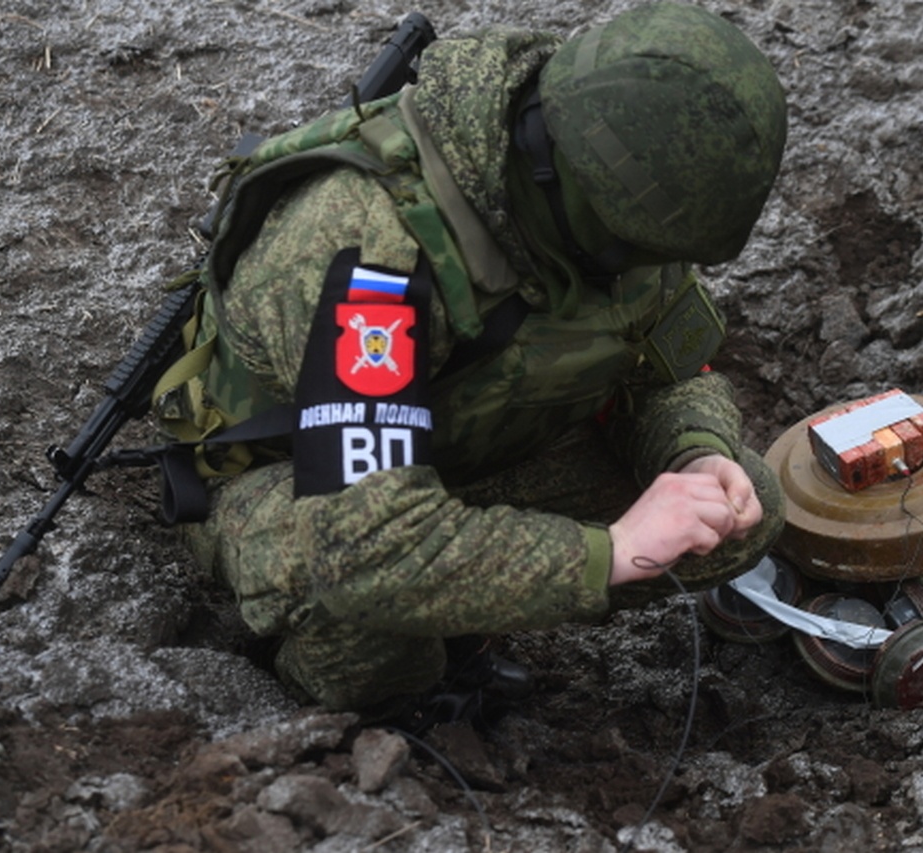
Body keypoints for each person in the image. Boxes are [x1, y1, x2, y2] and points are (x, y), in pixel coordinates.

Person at [177, 1, 789, 722]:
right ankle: (369, 693)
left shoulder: (611, 185)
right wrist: (611, 551)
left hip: (457, 452)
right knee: (371, 635)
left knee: (743, 508)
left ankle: (470, 595)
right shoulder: (371, 252)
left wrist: (694, 451)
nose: (654, 268)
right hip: (301, 488)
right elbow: (365, 552)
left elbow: (670, 372)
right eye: (639, 250)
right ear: (575, 184)